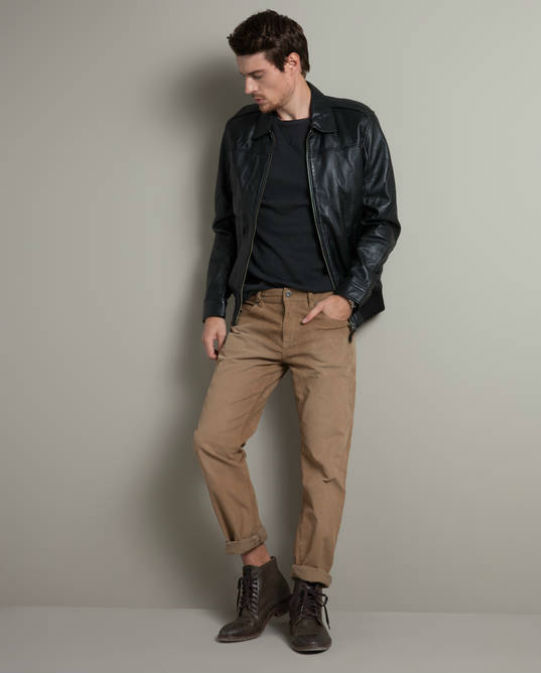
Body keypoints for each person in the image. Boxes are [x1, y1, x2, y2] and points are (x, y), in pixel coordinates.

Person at [193, 9, 401, 654]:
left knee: (323, 463)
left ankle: (310, 592)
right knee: (213, 440)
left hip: (322, 317)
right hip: (255, 314)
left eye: (256, 75)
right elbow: (226, 227)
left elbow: (382, 221)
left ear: (292, 63)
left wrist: (348, 298)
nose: (247, 88)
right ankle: (262, 574)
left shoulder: (354, 125)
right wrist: (215, 307)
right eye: (243, 76)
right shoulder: (241, 133)